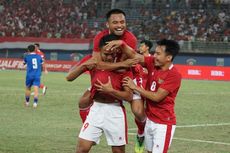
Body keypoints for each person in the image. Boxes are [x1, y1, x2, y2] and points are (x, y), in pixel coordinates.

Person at [67, 34, 133, 153]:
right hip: (95, 109)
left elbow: (129, 96)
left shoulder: (124, 68)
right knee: (82, 149)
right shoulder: (93, 62)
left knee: (118, 151)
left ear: (117, 51)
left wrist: (111, 91)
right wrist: (84, 65)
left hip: (115, 111)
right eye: (105, 54)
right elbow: (69, 77)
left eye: (112, 54)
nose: (108, 57)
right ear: (100, 51)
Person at [119, 38, 181, 153]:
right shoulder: (153, 63)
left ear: (169, 58)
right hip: (150, 120)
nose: (154, 56)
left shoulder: (174, 75)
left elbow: (157, 97)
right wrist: (122, 44)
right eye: (155, 52)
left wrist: (134, 87)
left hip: (163, 124)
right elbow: (135, 56)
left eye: (158, 53)